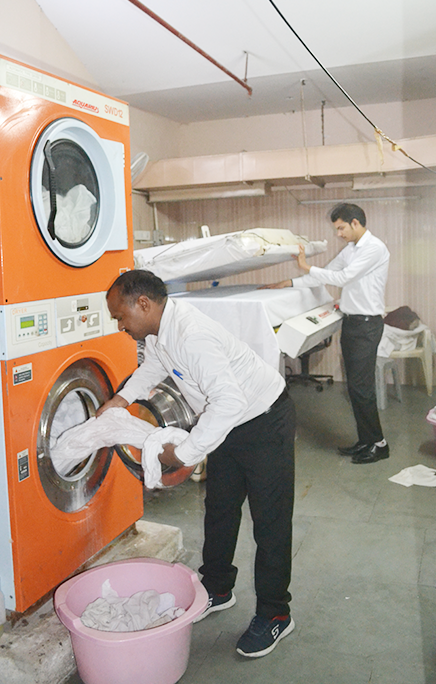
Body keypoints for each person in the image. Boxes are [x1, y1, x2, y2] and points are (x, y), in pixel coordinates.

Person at [97, 269, 296, 658]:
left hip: (263, 420)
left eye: (120, 317)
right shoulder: (157, 332)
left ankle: (276, 614)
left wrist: (184, 454)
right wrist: (122, 400)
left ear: (143, 304)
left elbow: (230, 402)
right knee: (220, 509)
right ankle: (217, 590)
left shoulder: (191, 335)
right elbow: (152, 369)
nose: (120, 325)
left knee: (270, 520)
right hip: (227, 423)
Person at [264, 202, 390, 464]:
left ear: (356, 223)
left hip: (367, 325)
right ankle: (365, 440)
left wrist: (306, 266)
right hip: (353, 323)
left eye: (341, 228)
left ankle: (379, 444)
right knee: (356, 388)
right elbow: (327, 274)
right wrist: (289, 283)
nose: (339, 234)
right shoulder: (351, 249)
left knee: (362, 388)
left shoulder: (375, 248)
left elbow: (343, 277)